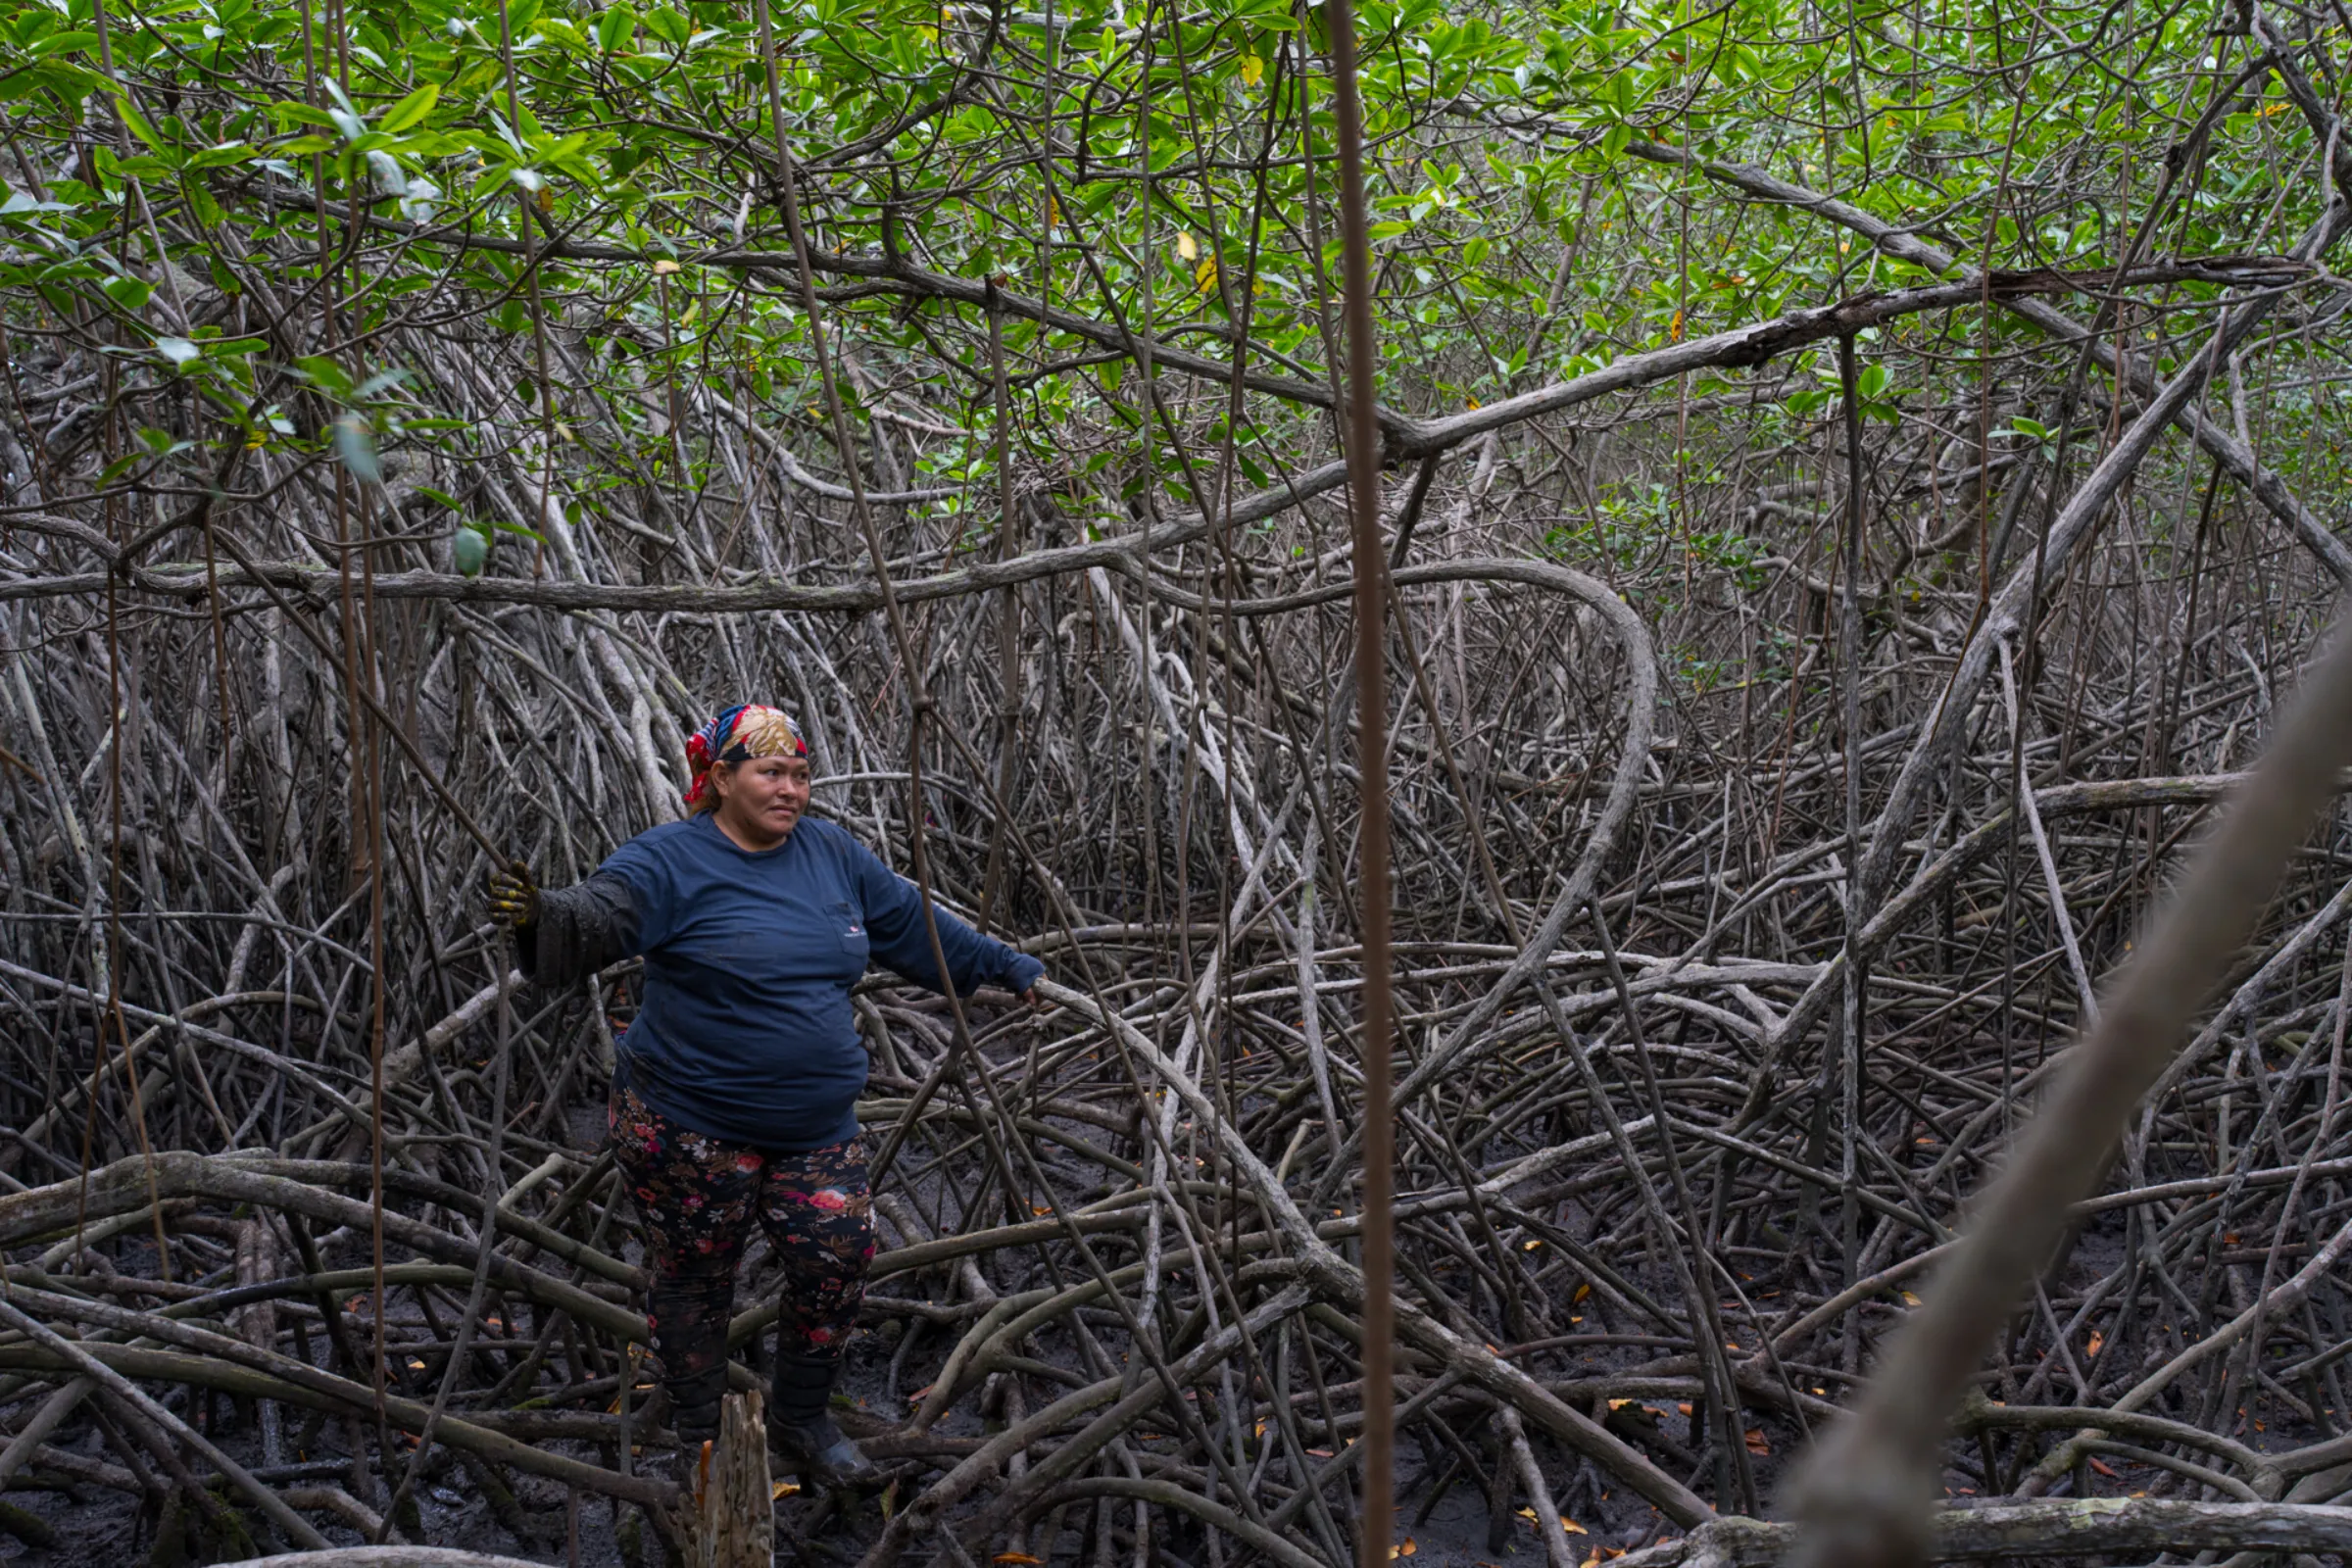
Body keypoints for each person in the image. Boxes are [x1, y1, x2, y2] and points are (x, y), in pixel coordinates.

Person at [485, 703, 1044, 1488]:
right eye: (770, 772)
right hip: (686, 1123)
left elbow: (916, 930)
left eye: (801, 774)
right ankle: (700, 1438)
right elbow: (598, 916)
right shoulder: (669, 860)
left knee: (838, 1256)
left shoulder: (831, 855)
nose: (790, 789)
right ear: (720, 780)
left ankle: (802, 1418)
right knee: (695, 1274)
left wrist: (1010, 967)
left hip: (815, 1125)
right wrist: (543, 916)